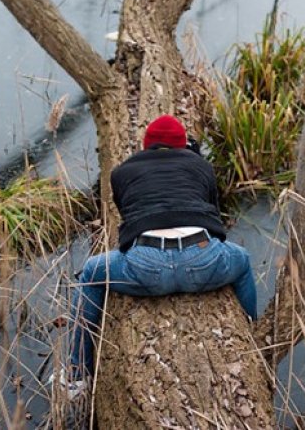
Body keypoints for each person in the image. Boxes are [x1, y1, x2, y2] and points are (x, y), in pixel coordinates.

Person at [53, 114, 257, 398]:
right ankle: (251, 336)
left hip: (147, 267)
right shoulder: (202, 167)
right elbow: (214, 217)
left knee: (90, 273)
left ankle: (76, 376)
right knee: (243, 259)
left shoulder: (122, 172)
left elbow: (129, 218)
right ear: (184, 146)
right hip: (203, 260)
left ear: (146, 145)